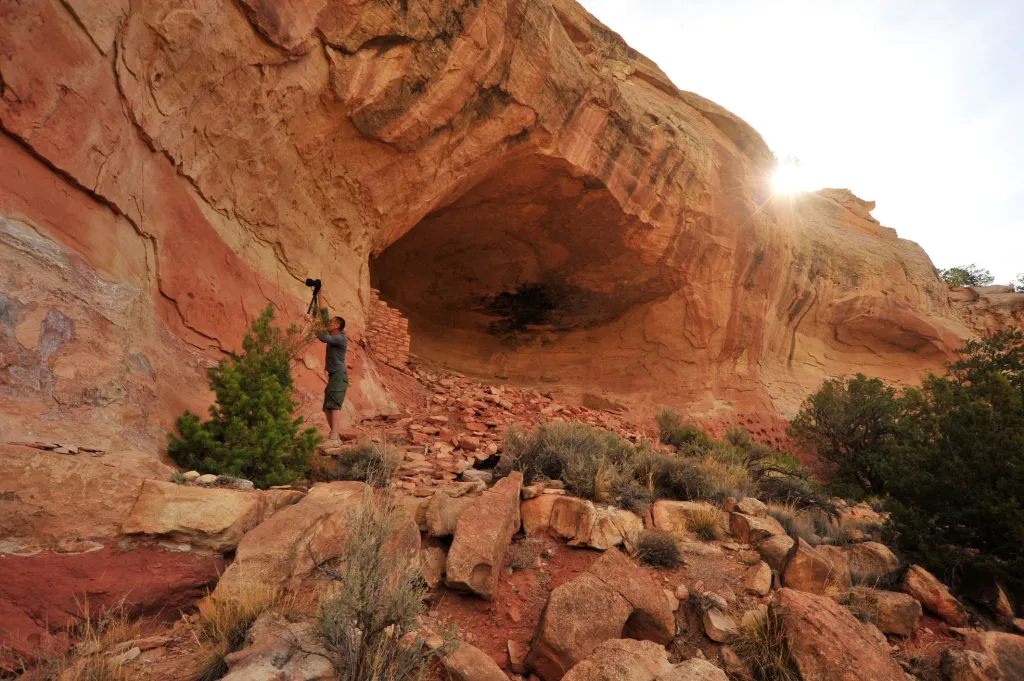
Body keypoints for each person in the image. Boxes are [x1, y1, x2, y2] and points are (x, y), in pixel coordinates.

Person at [315, 307, 348, 443]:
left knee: (334, 406)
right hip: (334, 376)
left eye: (332, 322)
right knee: (327, 408)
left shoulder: (340, 338)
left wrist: (312, 325)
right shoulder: (334, 335)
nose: (329, 323)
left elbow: (322, 337)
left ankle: (334, 436)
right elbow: (326, 320)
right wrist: (319, 292)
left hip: (339, 376)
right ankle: (334, 435)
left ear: (337, 326)